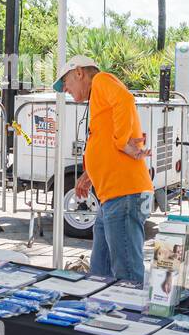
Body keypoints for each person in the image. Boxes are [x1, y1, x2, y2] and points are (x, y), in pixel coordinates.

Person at [56, 54, 153, 282]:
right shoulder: (98, 96)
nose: (65, 90)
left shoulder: (101, 81)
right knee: (99, 273)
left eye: (66, 83)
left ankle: (129, 315)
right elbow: (105, 142)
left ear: (79, 73)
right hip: (111, 196)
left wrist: (122, 142)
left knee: (127, 275)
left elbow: (125, 99)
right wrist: (90, 174)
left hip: (123, 194)